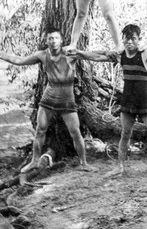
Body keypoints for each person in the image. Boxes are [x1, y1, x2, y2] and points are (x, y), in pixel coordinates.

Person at [71, 23, 147, 178]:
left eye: (133, 39)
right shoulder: (120, 55)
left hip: (144, 101)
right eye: (126, 39)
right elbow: (98, 56)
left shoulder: (146, 53)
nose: (129, 42)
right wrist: (79, 53)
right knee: (125, 135)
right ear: (122, 39)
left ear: (139, 40)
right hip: (128, 101)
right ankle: (119, 167)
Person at [0, 26, 116, 173]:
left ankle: (84, 163)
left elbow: (92, 55)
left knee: (75, 132)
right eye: (50, 38)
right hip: (48, 99)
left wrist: (111, 55)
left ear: (61, 40)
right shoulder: (42, 55)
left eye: (56, 38)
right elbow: (19, 60)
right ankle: (35, 161)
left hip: (67, 101)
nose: (53, 41)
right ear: (46, 41)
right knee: (40, 130)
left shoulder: (69, 54)